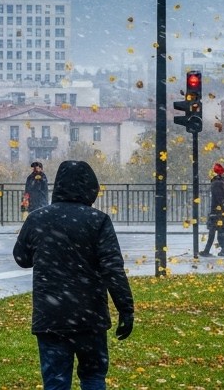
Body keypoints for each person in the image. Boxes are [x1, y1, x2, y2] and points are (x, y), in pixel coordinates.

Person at [13, 160, 134, 390]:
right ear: (90, 188)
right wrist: (125, 309)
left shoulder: (38, 218)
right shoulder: (98, 220)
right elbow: (113, 269)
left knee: (56, 381)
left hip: (51, 316)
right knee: (93, 376)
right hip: (90, 316)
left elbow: (22, 258)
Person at [202, 163, 224, 258]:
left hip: (218, 211)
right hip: (221, 211)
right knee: (220, 231)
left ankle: (211, 250)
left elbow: (220, 198)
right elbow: (222, 197)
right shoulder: (221, 183)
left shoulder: (217, 183)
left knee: (215, 231)